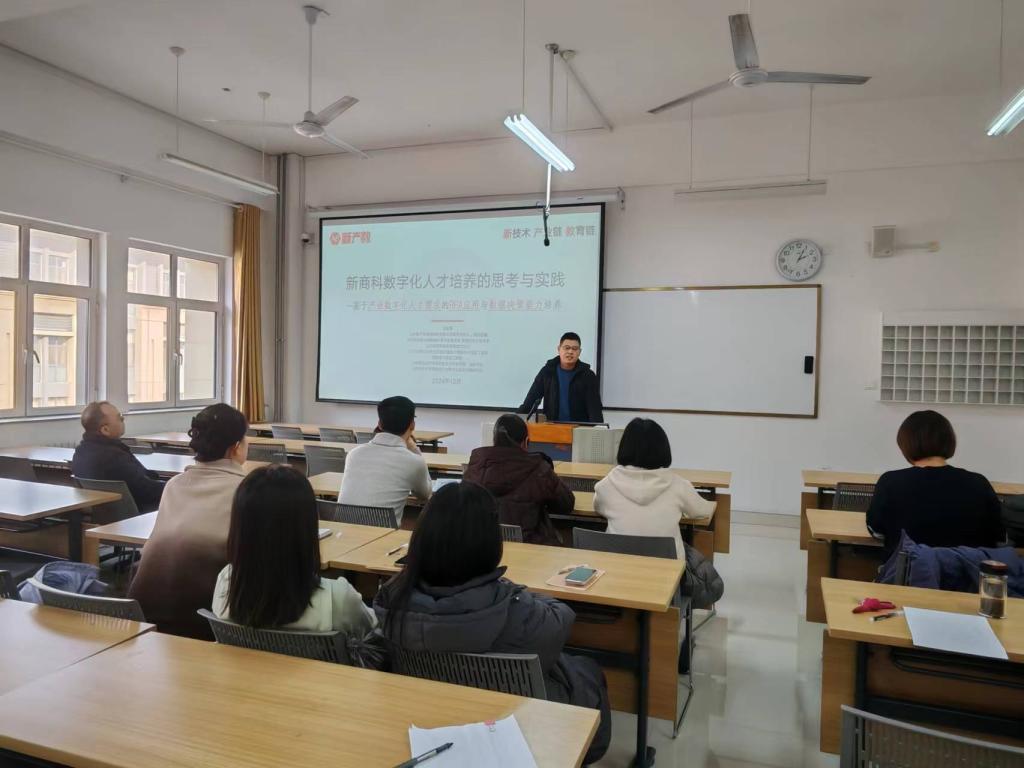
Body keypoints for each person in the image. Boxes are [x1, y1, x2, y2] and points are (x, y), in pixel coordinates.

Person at [373, 482, 610, 764]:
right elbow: (560, 621)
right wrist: (515, 590)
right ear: (490, 542)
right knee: (587, 670)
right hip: (512, 719)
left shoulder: (392, 599)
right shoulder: (513, 609)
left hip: (430, 712)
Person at [128, 403, 249, 639]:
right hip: (205, 621)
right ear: (236, 447)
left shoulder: (174, 485)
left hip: (142, 614)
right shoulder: (246, 491)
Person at [212, 464, 376, 635]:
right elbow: (374, 632)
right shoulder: (337, 598)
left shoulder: (226, 584)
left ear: (240, 528)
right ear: (307, 527)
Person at [866, 410, 1003, 557]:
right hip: (968, 570)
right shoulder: (979, 483)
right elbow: (999, 536)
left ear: (905, 445)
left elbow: (877, 531)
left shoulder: (890, 482)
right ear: (949, 441)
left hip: (908, 570)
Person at [594, 418, 714, 561]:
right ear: (662, 448)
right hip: (669, 571)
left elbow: (598, 508)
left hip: (619, 568)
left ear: (624, 447)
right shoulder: (678, 485)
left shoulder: (606, 485)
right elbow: (702, 511)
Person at [463, 413, 572, 545]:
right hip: (531, 548)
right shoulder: (538, 468)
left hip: (484, 547)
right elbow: (566, 504)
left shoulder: (475, 468)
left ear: (494, 441)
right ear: (526, 442)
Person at [338, 395, 431, 525]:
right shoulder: (414, 461)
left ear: (379, 424)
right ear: (412, 425)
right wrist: (414, 449)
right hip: (383, 534)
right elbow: (425, 495)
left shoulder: (354, 454)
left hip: (343, 531)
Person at [71, 401, 164, 511]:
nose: (123, 419)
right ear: (105, 430)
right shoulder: (114, 457)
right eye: (119, 417)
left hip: (103, 514)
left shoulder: (80, 453)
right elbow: (145, 490)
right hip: (139, 513)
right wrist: (173, 487)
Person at [518, 332, 603, 423]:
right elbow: (530, 400)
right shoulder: (547, 372)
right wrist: (515, 421)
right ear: (559, 349)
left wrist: (598, 428)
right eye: (567, 348)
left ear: (579, 352)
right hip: (552, 427)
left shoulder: (588, 375)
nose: (570, 352)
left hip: (579, 428)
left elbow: (594, 408)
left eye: (574, 349)